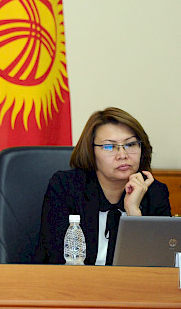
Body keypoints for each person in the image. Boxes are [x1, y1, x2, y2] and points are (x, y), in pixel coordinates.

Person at [34, 107, 171, 265]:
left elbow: (158, 265)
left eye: (130, 144)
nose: (122, 155)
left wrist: (133, 212)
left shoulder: (155, 194)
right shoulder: (66, 187)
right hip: (74, 279)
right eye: (109, 147)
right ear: (91, 152)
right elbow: (55, 258)